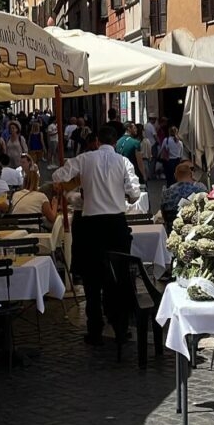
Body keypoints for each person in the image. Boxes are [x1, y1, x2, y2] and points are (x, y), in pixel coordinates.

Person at [53, 125, 141, 346]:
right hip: (115, 224)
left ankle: (94, 330)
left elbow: (57, 175)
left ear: (97, 140)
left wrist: (79, 184)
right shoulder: (123, 162)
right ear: (115, 141)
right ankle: (120, 327)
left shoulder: (85, 159)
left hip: (91, 225)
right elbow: (135, 194)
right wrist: (123, 195)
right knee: (118, 277)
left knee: (92, 280)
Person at [160, 161, 208, 230]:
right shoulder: (200, 190)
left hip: (173, 229)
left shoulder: (166, 193)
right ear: (191, 174)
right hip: (195, 229)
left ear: (175, 175)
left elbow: (163, 214)